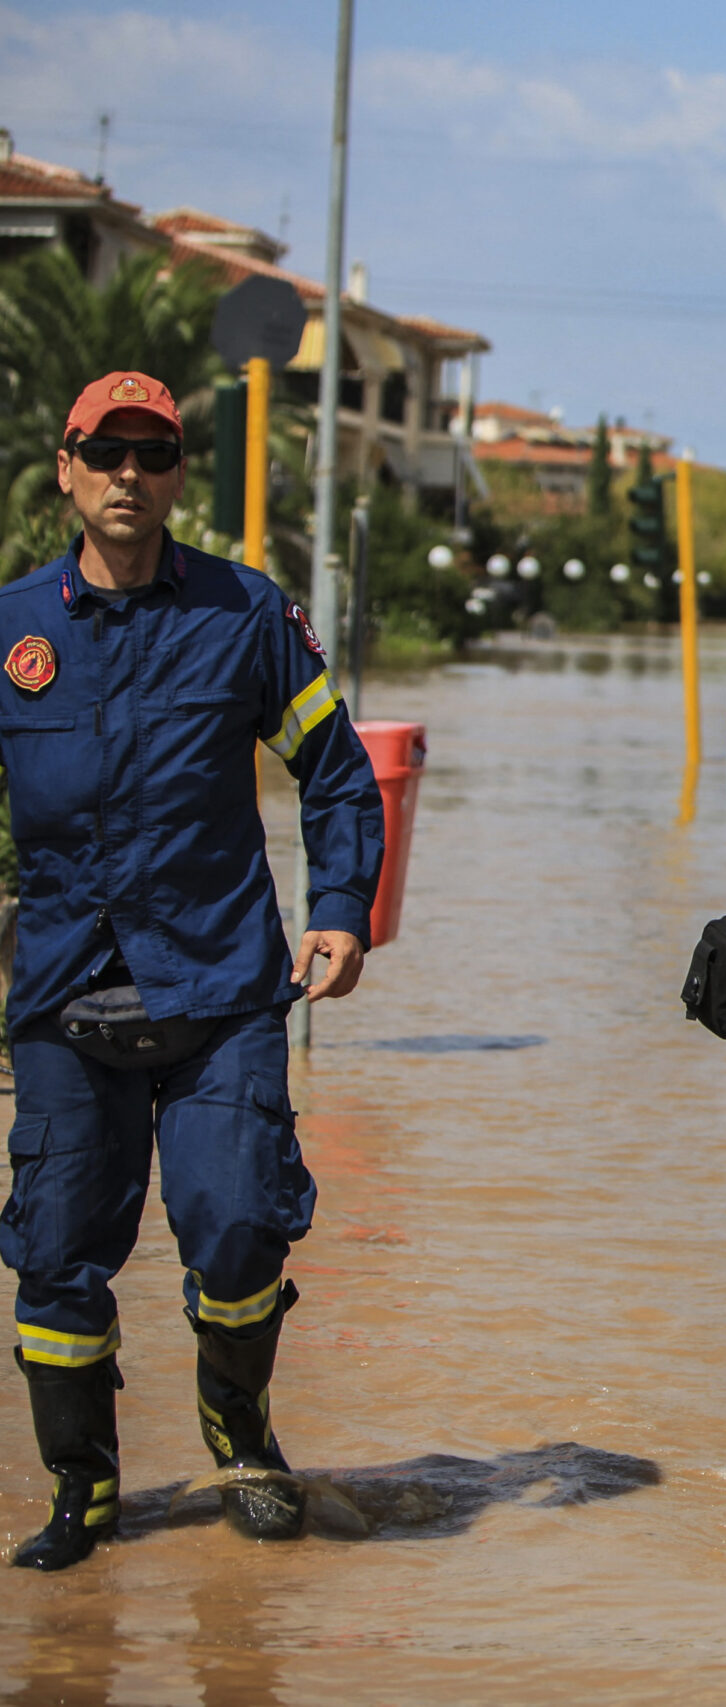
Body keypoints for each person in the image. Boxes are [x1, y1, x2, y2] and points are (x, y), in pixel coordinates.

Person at [1, 372, 384, 1571]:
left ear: (177, 475)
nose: (129, 475)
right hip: (63, 995)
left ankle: (241, 1436)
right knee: (58, 1255)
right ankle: (84, 1492)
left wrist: (339, 910)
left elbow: (334, 768)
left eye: (153, 455)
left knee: (235, 1233)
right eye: (105, 453)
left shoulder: (245, 615)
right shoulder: (12, 626)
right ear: (65, 468)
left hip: (218, 990)